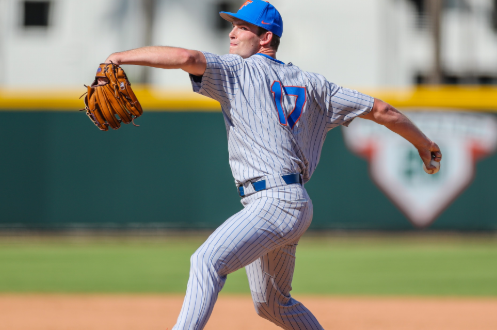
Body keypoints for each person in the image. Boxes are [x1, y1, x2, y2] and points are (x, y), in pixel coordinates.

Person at [105, 1, 442, 329]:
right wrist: (423, 144)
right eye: (232, 25)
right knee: (272, 303)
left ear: (265, 37)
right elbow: (384, 111)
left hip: (273, 202)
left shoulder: (237, 69)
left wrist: (120, 57)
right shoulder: (316, 85)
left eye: (242, 27)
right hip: (294, 203)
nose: (232, 33)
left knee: (205, 261)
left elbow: (187, 58)